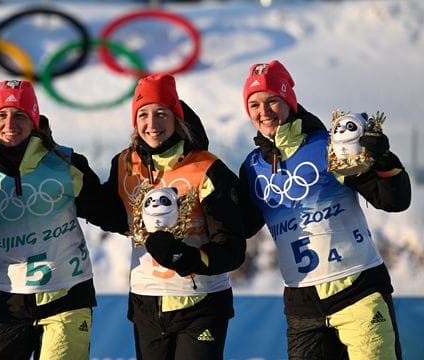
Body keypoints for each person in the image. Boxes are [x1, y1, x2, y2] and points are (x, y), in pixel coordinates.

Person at [237, 60, 411, 359]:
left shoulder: (328, 146)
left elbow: (392, 200)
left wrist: (383, 159)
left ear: (289, 101)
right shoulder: (252, 167)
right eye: (254, 104)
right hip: (302, 302)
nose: (263, 112)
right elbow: (241, 227)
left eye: (272, 101)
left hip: (358, 288)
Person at [0, 79, 110, 360]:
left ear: (34, 120)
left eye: (20, 115)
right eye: (2, 115)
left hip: (68, 297)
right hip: (10, 302)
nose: (10, 123)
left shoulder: (65, 163)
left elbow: (108, 214)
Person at [99, 73, 246, 359]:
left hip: (201, 303)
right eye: (143, 114)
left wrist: (186, 258)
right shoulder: (125, 163)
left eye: (161, 114)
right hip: (146, 302)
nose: (151, 124)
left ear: (177, 118)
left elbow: (232, 249)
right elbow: (114, 217)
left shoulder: (207, 167)